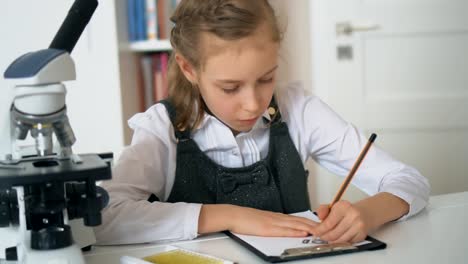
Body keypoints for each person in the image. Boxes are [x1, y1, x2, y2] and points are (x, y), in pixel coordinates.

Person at [94, 0, 430, 245]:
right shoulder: (161, 128)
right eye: (230, 87)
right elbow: (105, 218)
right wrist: (231, 215)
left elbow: (408, 180)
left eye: (266, 78)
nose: (253, 103)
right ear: (188, 69)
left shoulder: (299, 110)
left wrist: (369, 212)